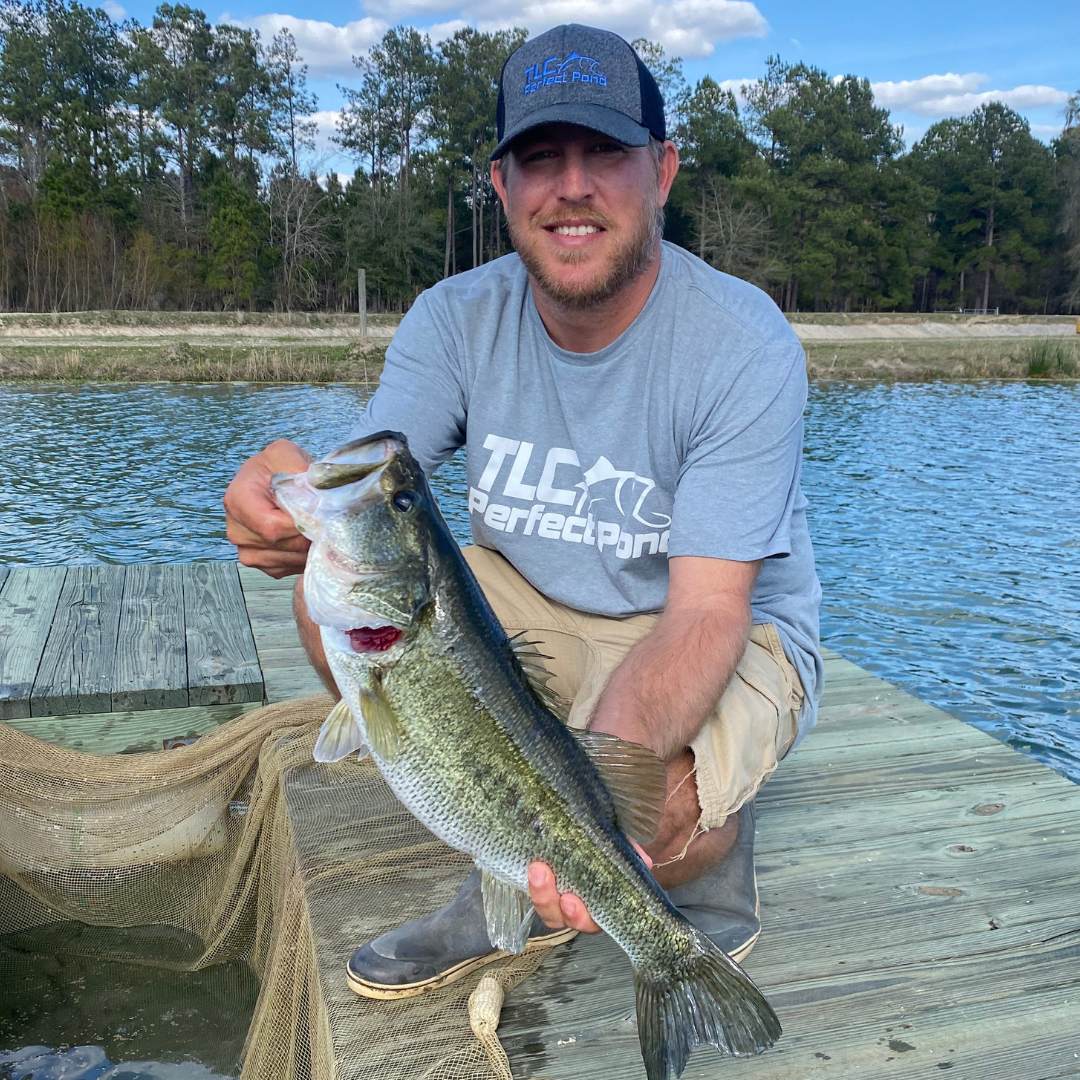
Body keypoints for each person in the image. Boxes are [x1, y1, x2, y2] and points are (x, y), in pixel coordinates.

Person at [224, 23, 822, 999]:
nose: (572, 185)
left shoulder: (744, 344)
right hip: (538, 601)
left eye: (606, 154)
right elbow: (371, 478)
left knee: (655, 821)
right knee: (333, 609)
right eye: (539, 158)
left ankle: (701, 857)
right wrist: (285, 501)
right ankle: (501, 869)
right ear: (501, 188)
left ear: (661, 172)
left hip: (716, 614)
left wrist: (605, 797)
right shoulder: (453, 319)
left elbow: (709, 612)